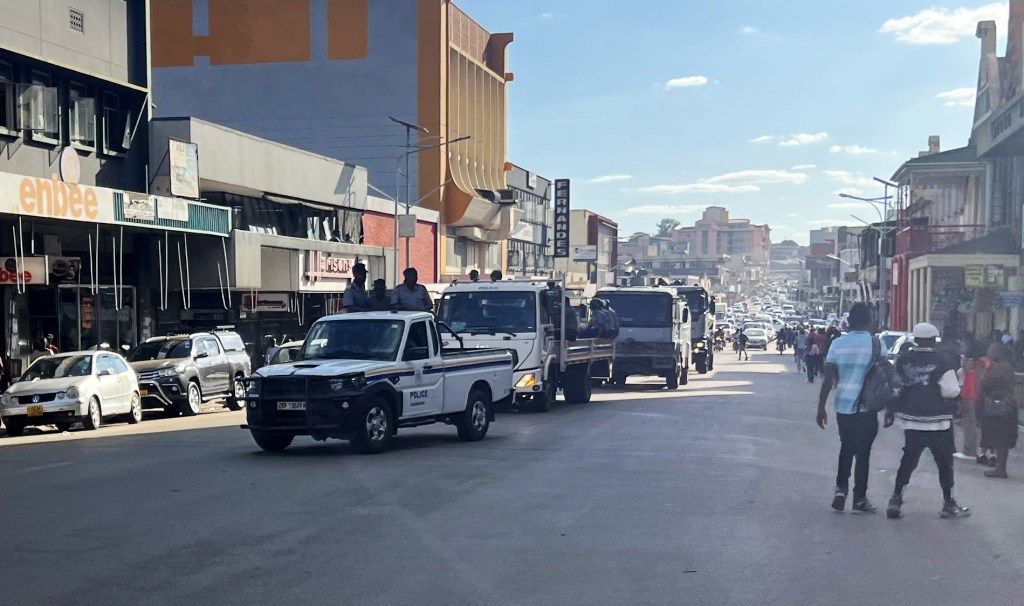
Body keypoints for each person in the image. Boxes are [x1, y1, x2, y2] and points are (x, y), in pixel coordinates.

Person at [885, 322, 970, 519]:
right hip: (938, 421)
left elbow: (897, 388)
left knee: (908, 460)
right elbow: (951, 390)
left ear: (915, 339)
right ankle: (948, 502)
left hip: (912, 421)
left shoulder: (903, 359)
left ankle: (896, 499)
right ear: (934, 339)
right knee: (944, 463)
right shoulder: (944, 360)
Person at [816, 303, 879, 513]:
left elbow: (828, 379)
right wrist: (891, 409)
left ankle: (841, 490)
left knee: (846, 447)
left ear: (849, 321)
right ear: (869, 321)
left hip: (843, 405)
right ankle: (860, 499)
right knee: (863, 454)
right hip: (868, 407)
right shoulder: (876, 344)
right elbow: (885, 380)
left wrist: (821, 408)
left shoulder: (837, 344)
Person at [977, 343, 1018, 479]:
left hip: (998, 406)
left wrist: (986, 370)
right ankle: (1000, 467)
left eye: (990, 350)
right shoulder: (1008, 367)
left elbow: (984, 383)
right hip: (1009, 405)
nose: (988, 352)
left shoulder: (995, 368)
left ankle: (1000, 469)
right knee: (1004, 439)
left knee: (998, 437)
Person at [954, 358, 981, 463]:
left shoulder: (962, 372)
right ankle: (970, 449)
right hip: (973, 398)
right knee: (971, 424)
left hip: (966, 398)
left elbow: (961, 386)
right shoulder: (976, 372)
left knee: (968, 424)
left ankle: (969, 450)